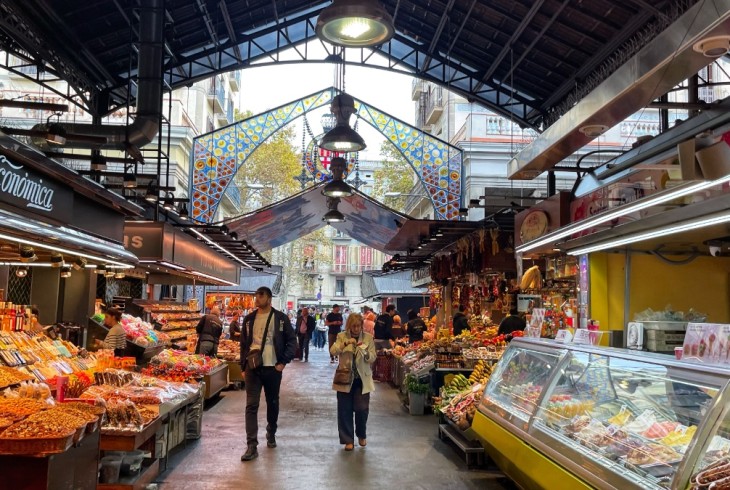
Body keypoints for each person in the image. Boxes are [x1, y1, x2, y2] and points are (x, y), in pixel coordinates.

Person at [239, 286, 297, 462]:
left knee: (272, 402)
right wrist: (243, 366)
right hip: (252, 368)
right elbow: (243, 344)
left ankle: (271, 432)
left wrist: (282, 362)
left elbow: (292, 341)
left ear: (269, 298)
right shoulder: (249, 319)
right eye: (256, 295)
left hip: (273, 367)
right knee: (251, 405)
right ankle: (251, 445)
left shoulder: (280, 318)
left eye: (261, 295)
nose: (257, 298)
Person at [330, 313, 376, 451]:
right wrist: (345, 344)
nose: (356, 329)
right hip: (345, 378)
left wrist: (366, 352)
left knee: (362, 410)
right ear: (349, 326)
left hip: (362, 380)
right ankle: (348, 440)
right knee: (344, 410)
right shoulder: (341, 336)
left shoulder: (368, 338)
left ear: (362, 325)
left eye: (358, 326)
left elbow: (373, 357)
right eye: (353, 326)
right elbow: (333, 351)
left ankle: (361, 434)